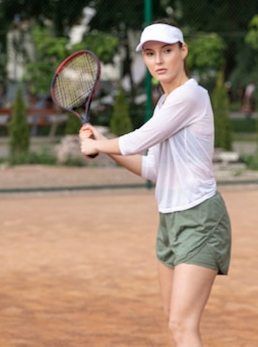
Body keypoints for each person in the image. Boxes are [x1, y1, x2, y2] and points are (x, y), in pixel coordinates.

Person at [80, 20, 231, 347]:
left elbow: (138, 140)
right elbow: (153, 168)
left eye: (166, 51)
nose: (158, 60)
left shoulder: (189, 96)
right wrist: (103, 143)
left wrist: (98, 146)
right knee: (171, 316)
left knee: (182, 325)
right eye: (150, 53)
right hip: (169, 220)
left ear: (183, 51)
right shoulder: (165, 104)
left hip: (200, 219)